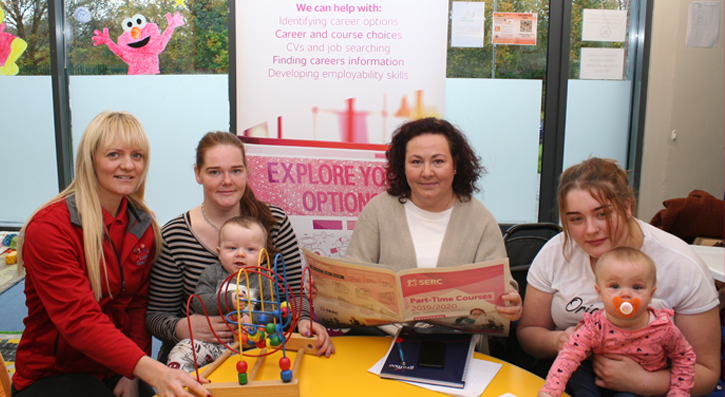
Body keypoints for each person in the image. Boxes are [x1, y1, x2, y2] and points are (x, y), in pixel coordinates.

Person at [12, 111, 210, 397]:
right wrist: (151, 370)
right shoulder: (49, 228)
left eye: (137, 155)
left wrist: (131, 375)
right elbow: (79, 320)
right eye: (114, 154)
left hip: (115, 366)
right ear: (90, 159)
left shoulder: (143, 223)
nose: (128, 166)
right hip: (53, 374)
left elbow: (136, 306)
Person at [518, 157, 720, 397]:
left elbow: (706, 371)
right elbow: (529, 332)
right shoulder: (556, 253)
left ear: (627, 206)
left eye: (602, 214)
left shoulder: (681, 265)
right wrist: (560, 341)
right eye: (576, 219)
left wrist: (644, 382)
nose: (591, 229)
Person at [146, 131, 333, 363]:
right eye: (215, 172)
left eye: (236, 171)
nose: (227, 181)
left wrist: (304, 320)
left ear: (246, 172)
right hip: (199, 357)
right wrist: (183, 327)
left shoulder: (274, 222)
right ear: (198, 174)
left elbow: (293, 295)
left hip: (263, 350)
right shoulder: (174, 236)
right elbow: (156, 316)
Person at [344, 117, 522, 353]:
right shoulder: (378, 211)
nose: (427, 172)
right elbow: (352, 274)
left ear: (455, 165)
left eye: (438, 161)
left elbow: (503, 289)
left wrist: (511, 305)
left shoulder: (481, 219)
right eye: (416, 162)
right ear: (402, 166)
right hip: (382, 343)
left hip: (457, 347)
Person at [539, 247, 695, 397]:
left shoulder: (663, 329)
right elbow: (568, 356)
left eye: (637, 287)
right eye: (614, 286)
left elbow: (684, 358)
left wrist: (678, 392)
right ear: (599, 293)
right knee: (577, 371)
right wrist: (550, 390)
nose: (626, 294)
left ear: (651, 294)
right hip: (597, 379)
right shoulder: (594, 326)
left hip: (637, 388)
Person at [167, 216, 318, 372]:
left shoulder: (264, 280)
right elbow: (198, 303)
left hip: (252, 346)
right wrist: (227, 300)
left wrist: (252, 319)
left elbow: (273, 312)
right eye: (232, 248)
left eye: (250, 249)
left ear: (263, 257)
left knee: (275, 360)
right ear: (219, 253)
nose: (240, 254)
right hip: (211, 343)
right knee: (180, 353)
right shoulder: (212, 273)